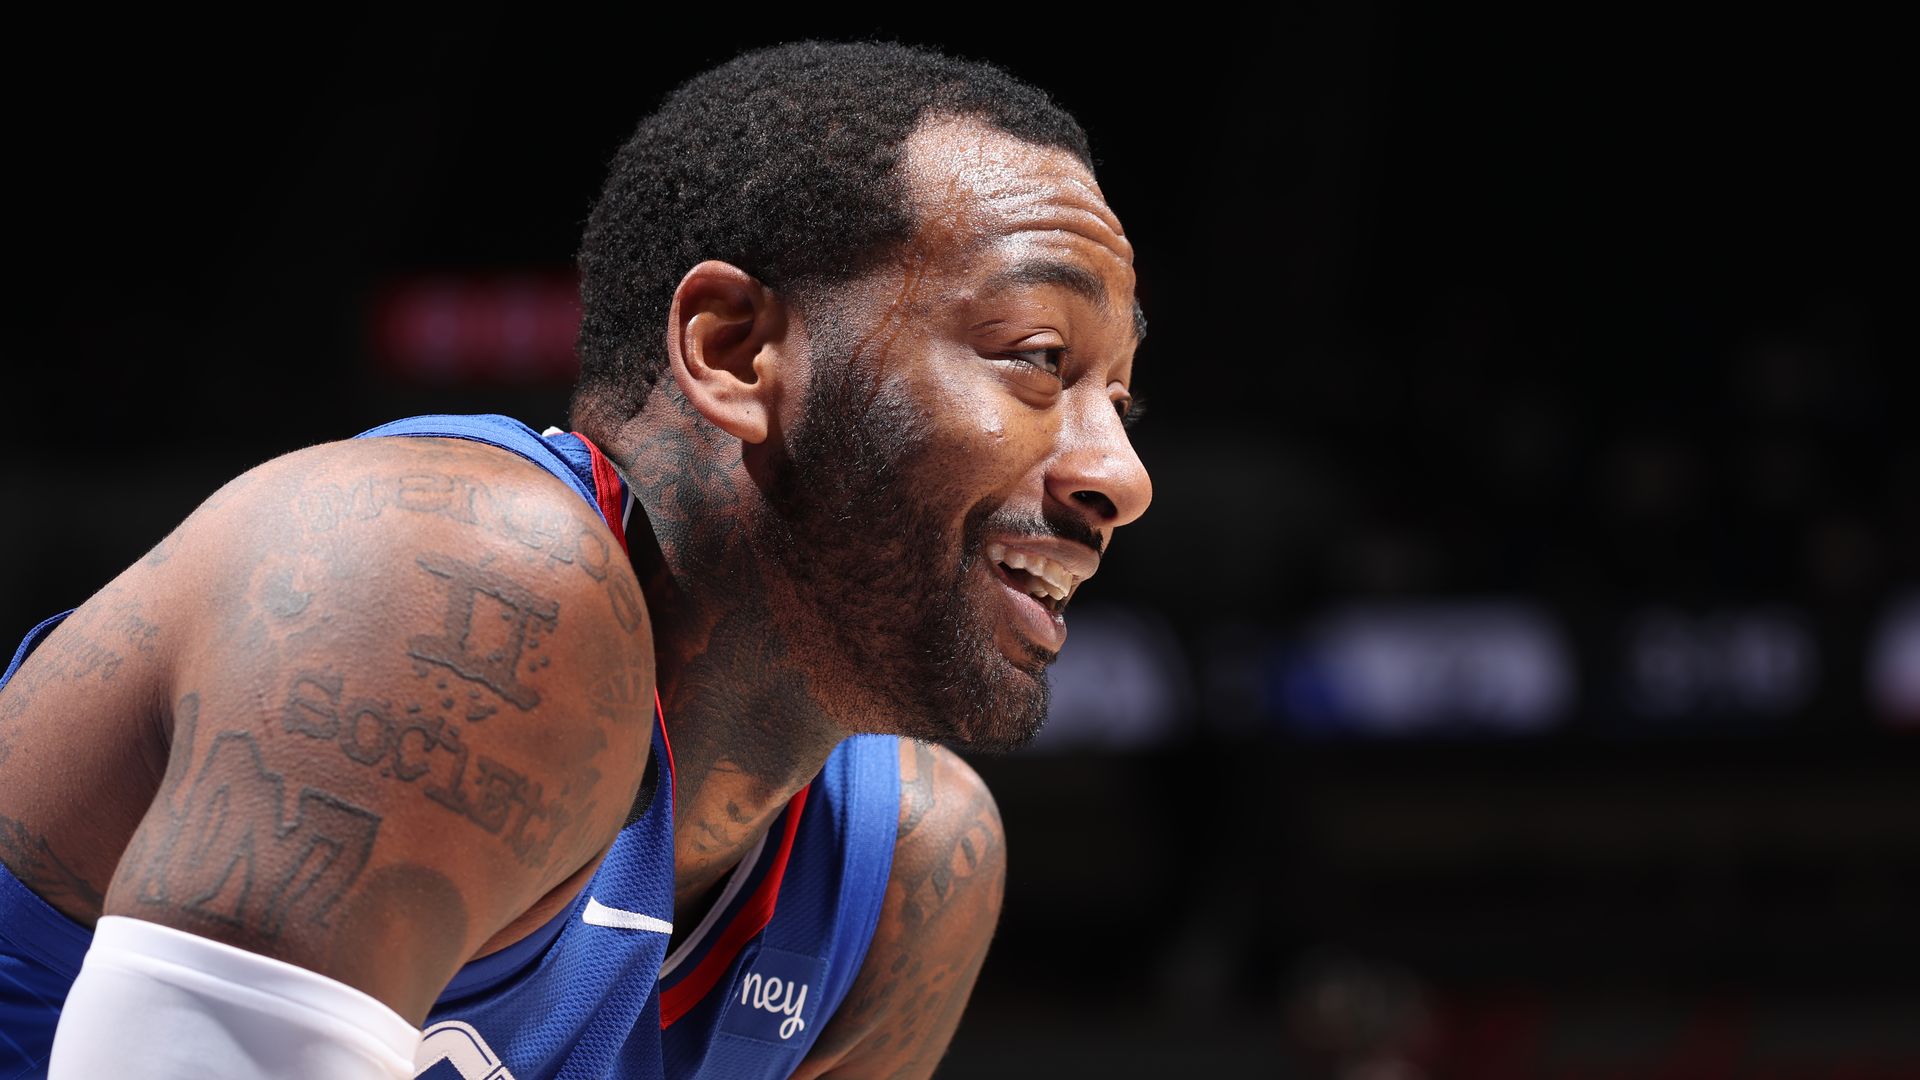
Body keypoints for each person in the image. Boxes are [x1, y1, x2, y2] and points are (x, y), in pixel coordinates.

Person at [0, 39, 1150, 1079]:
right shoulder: (453, 586)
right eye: (1038, 357)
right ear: (734, 351)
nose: (1122, 475)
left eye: (1121, 401)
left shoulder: (910, 867)